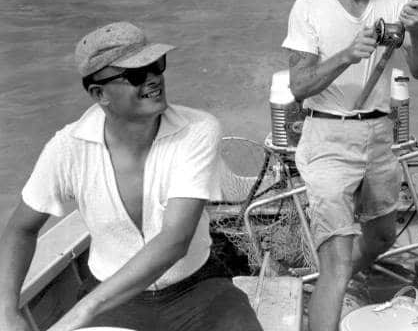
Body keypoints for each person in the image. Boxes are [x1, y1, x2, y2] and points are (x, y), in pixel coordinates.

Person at [0, 22, 263, 331]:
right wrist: (7, 312)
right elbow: (21, 230)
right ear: (99, 94)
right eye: (136, 74)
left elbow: (174, 241)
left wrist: (83, 311)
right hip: (114, 300)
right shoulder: (67, 149)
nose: (153, 79)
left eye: (156, 66)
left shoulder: (198, 130)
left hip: (198, 290)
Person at [282, 0, 418, 331]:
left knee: (383, 235)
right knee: (337, 256)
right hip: (328, 136)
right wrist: (347, 55)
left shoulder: (397, 1)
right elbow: (299, 85)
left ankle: (331, 289)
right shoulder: (307, 8)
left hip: (379, 135)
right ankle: (331, 290)